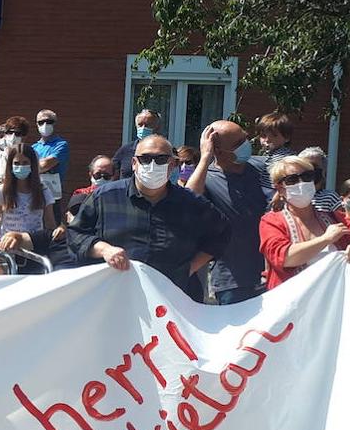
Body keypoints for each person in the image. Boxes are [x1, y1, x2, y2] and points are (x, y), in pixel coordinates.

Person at [68, 135, 230, 293]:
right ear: (134, 163)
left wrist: (190, 268)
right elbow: (76, 235)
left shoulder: (191, 203)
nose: (152, 165)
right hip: (116, 294)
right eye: (145, 159)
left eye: (161, 159)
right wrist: (104, 250)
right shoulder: (105, 197)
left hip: (174, 295)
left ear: (172, 164)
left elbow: (222, 233)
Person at [186, 120, 272, 304]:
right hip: (232, 281)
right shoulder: (207, 177)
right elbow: (189, 199)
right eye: (238, 143)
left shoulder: (261, 168)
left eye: (245, 138)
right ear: (218, 151)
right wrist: (205, 157)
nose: (246, 145)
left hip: (270, 274)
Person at [260, 157, 350, 289]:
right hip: (292, 298)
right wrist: (326, 239)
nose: (302, 183)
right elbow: (284, 258)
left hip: (333, 296)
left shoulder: (336, 218)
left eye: (307, 177)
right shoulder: (271, 221)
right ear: (280, 189)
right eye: (292, 180)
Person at [0, 145, 59, 272]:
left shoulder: (43, 191)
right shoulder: (2, 191)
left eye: (25, 163)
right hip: (7, 254)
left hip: (33, 253)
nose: (21, 167)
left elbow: (50, 225)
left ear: (32, 165)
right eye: (16, 163)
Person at [32, 109, 70, 219]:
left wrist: (32, 165)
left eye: (48, 122)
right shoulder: (34, 147)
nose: (45, 125)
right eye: (41, 122)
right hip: (34, 193)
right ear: (37, 125)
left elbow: (45, 165)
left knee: (52, 225)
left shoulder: (61, 145)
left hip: (53, 194)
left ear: (55, 123)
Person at [112, 110, 161, 179]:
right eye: (140, 125)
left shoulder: (164, 152)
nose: (143, 128)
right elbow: (112, 175)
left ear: (157, 128)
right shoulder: (125, 150)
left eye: (147, 125)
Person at [67, 155, 115, 222]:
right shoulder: (81, 194)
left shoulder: (118, 197)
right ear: (91, 174)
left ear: (113, 177)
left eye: (106, 176)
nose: (102, 178)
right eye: (98, 175)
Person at [297, 146, 343, 213]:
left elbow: (340, 218)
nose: (309, 170)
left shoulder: (330, 198)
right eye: (305, 166)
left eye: (313, 166)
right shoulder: (292, 196)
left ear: (324, 171)